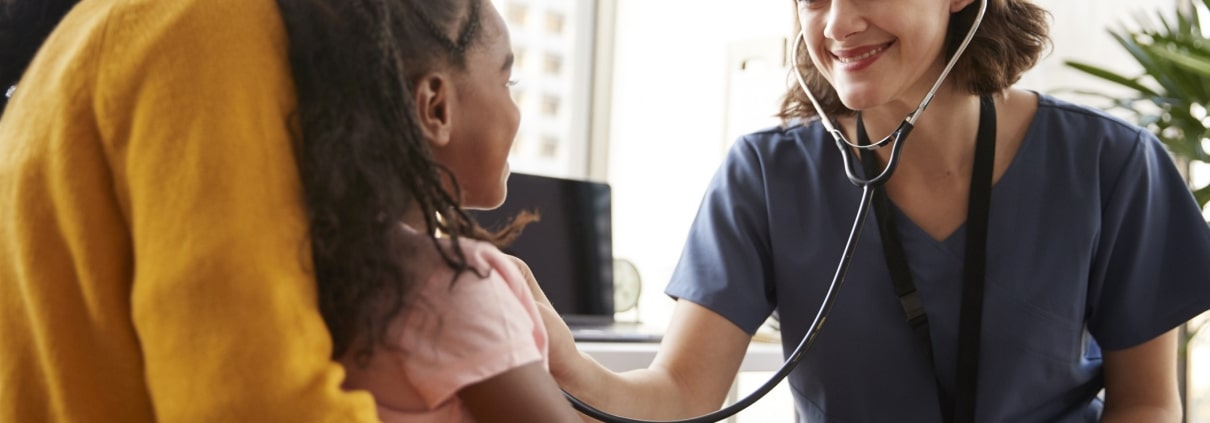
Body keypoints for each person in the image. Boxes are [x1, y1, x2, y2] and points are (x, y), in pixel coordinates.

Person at [531, 0, 1210, 422]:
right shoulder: (766, 176)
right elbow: (681, 397)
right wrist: (562, 359)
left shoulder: (1113, 166)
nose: (837, 23)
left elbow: (1147, 402)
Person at [0, 0, 578, 422]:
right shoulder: (206, 34)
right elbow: (249, 403)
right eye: (509, 80)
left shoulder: (138, 25)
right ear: (432, 104)